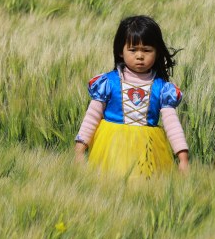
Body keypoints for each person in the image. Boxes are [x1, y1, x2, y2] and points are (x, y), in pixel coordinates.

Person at [74, 15, 189, 180]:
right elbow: (92, 116)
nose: (140, 56)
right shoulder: (108, 83)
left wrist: (182, 157)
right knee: (109, 184)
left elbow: (172, 125)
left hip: (148, 149)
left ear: (157, 53)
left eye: (147, 50)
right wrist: (79, 149)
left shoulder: (162, 89)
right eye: (133, 50)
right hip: (111, 147)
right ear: (120, 52)